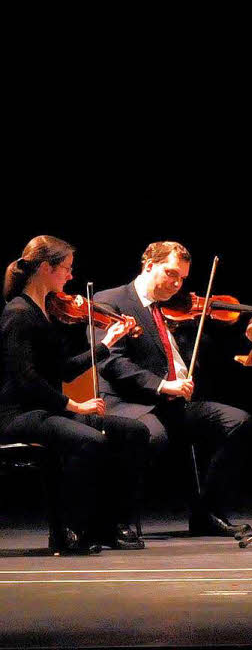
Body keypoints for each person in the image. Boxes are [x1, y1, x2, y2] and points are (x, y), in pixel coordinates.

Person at [93, 242, 252, 537]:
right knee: (151, 434)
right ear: (149, 265)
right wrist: (162, 385)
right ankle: (117, 520)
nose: (177, 284)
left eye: (183, 278)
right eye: (171, 274)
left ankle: (207, 514)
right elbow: (110, 361)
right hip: (128, 402)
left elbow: (209, 352)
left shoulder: (176, 308)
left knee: (237, 421)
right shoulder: (111, 301)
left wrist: (251, 334)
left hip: (173, 404)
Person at [0, 236, 148, 554]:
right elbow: (26, 379)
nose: (70, 276)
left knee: (133, 431)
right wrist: (73, 404)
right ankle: (68, 530)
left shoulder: (44, 310)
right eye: (65, 268)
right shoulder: (18, 313)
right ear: (44, 268)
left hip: (46, 410)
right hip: (19, 414)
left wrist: (106, 341)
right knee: (90, 439)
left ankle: (107, 526)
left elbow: (64, 370)